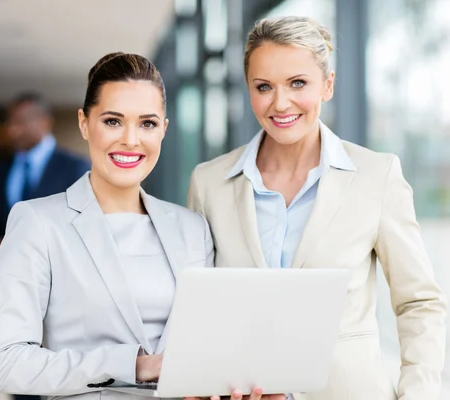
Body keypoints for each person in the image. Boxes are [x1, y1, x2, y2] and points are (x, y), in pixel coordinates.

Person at [0, 52, 285, 400]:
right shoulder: (38, 222)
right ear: (84, 123)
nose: (130, 139)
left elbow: (202, 348)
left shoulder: (192, 228)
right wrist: (136, 366)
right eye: (113, 121)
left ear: (164, 130)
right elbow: (3, 363)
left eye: (147, 123)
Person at [187, 16, 447, 400]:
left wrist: (417, 395)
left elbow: (419, 302)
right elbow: (199, 310)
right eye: (264, 87)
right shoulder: (209, 183)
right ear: (248, 89)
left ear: (328, 84)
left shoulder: (377, 176)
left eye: (297, 83)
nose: (280, 103)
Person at [0, 92, 90, 267]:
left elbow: (87, 228)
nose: (12, 130)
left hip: (61, 276)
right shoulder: (0, 169)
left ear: (44, 122)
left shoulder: (76, 168)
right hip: (11, 275)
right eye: (10, 122)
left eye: (20, 122)